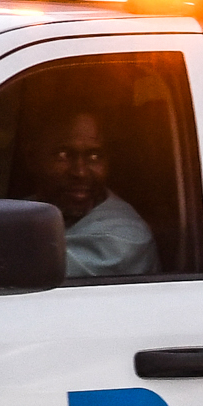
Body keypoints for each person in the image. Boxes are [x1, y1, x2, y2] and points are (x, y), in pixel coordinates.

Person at [32, 107, 158, 280]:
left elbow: (16, 268)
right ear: (31, 156)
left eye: (94, 156)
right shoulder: (36, 205)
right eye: (64, 155)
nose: (80, 172)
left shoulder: (124, 238)